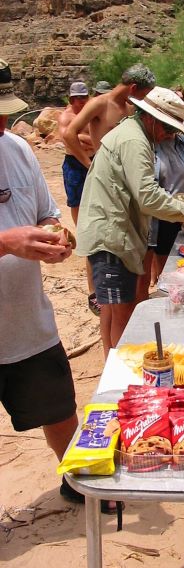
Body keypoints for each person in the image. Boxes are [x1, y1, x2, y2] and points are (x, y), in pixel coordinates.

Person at [76, 87, 184, 357]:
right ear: (151, 119)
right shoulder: (134, 141)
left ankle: (111, 363)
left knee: (112, 306)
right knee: (121, 310)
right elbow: (148, 196)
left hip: (117, 231)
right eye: (167, 129)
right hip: (111, 236)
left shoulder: (134, 134)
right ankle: (118, 369)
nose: (168, 136)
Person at [0, 62, 79, 503]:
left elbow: (45, 212)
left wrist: (55, 236)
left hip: (27, 320)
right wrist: (6, 242)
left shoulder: (16, 148)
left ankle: (76, 482)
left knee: (60, 410)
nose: (2, 123)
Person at [136, 131, 184, 299]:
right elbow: (147, 189)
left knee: (168, 274)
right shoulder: (146, 142)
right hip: (148, 216)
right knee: (141, 279)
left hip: (175, 215)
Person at [57, 81, 99, 315]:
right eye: (76, 98)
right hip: (75, 163)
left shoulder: (91, 111)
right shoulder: (66, 116)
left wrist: (82, 138)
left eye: (84, 97)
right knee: (77, 202)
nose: (80, 101)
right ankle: (82, 232)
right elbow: (68, 139)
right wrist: (84, 140)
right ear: (70, 99)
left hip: (90, 159)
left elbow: (89, 138)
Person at [63, 63, 156, 168]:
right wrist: (90, 165)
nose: (142, 99)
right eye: (143, 94)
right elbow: (69, 133)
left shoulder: (131, 107)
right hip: (106, 170)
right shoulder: (99, 104)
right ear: (133, 88)